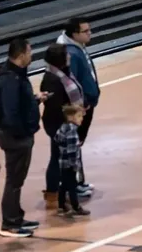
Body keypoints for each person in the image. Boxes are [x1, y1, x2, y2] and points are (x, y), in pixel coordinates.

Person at [0, 38, 43, 238]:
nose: (31, 56)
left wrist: (34, 100)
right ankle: (10, 223)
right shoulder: (10, 79)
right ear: (21, 55)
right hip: (15, 137)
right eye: (29, 52)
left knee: (17, 179)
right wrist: (23, 132)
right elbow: (10, 112)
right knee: (14, 180)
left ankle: (16, 216)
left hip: (17, 135)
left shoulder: (15, 76)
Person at [39, 43, 87, 207]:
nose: (69, 56)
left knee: (65, 157)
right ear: (59, 59)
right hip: (59, 125)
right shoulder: (52, 79)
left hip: (67, 122)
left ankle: (66, 188)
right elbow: (55, 106)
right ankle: (53, 192)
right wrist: (72, 115)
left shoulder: (62, 73)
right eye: (66, 54)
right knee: (58, 158)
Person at [57, 18, 100, 197]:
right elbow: (72, 82)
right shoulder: (71, 53)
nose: (90, 33)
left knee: (77, 146)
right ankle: (72, 185)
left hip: (85, 105)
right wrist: (80, 106)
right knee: (73, 147)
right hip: (80, 108)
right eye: (86, 31)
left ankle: (78, 182)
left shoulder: (78, 48)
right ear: (74, 34)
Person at [54, 105, 91, 216]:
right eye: (79, 116)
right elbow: (71, 152)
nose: (82, 119)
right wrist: (75, 165)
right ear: (71, 117)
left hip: (62, 163)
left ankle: (61, 206)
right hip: (70, 165)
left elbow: (57, 139)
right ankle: (76, 206)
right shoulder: (72, 132)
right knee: (72, 186)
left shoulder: (63, 128)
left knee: (64, 185)